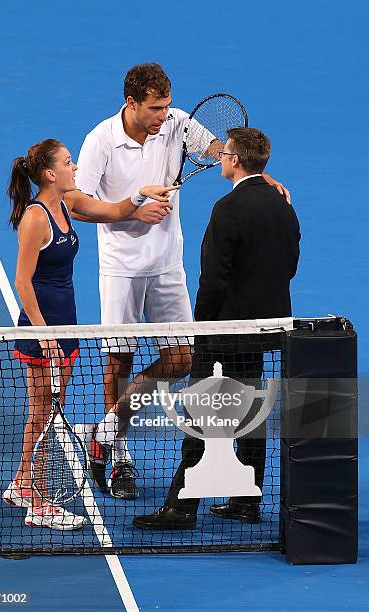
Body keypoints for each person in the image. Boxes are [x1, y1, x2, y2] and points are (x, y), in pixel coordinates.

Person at [73, 63, 291, 500]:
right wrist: (131, 209)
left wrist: (257, 177)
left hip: (168, 265)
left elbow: (219, 148)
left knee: (182, 358)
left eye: (167, 106)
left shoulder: (175, 124)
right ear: (131, 103)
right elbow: (77, 202)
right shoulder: (101, 140)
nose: (163, 116)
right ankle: (118, 455)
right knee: (119, 361)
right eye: (155, 108)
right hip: (121, 267)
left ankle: (105, 428)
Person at [1, 138, 176, 531]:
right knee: (44, 415)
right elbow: (22, 282)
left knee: (44, 413)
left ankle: (22, 482)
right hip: (43, 330)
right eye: (67, 162)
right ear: (50, 174)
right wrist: (45, 335)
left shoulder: (69, 203)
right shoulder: (36, 217)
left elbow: (113, 210)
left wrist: (139, 194)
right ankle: (39, 501)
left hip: (66, 326)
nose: (75, 166)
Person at [132, 127, 301, 530]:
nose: (220, 157)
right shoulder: (284, 206)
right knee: (250, 412)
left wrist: (203, 329)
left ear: (235, 161)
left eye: (224, 152)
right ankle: (246, 501)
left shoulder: (227, 209)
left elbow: (213, 280)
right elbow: (290, 264)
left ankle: (180, 508)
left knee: (200, 414)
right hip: (265, 329)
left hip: (223, 332)